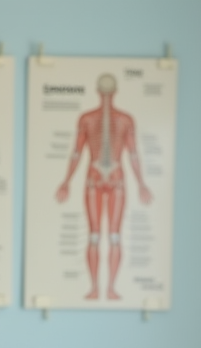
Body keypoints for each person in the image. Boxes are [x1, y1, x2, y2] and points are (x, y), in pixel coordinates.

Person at [55, 73, 153, 301]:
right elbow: (78, 152)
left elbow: (132, 152)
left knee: (108, 236)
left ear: (98, 91)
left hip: (108, 177)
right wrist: (66, 181)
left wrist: (141, 183)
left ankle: (107, 288)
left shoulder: (102, 119)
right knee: (97, 235)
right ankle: (97, 288)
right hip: (99, 177)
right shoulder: (93, 119)